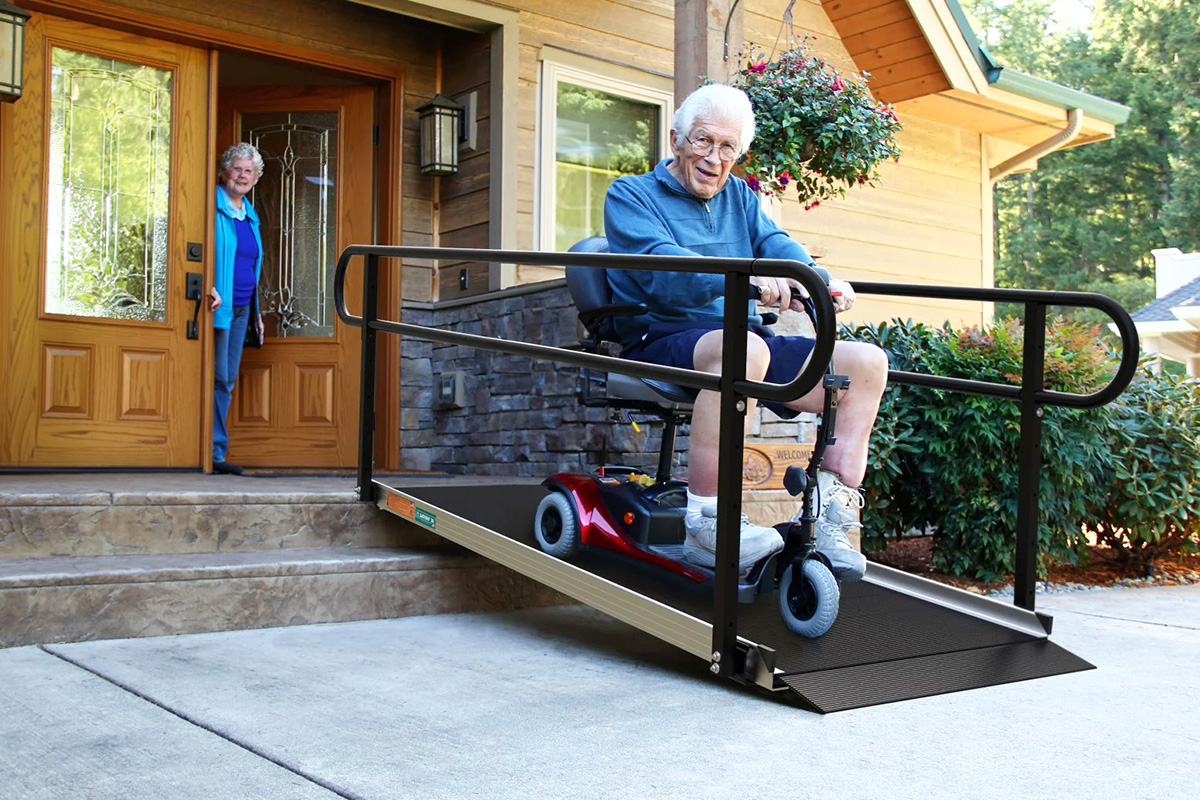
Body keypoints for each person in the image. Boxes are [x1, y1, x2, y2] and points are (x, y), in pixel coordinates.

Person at [603, 84, 889, 581]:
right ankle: (708, 521)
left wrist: (816, 277)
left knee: (866, 365)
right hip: (663, 334)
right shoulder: (631, 195)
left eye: (728, 147)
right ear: (675, 139)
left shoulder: (740, 195)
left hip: (742, 333)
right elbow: (664, 270)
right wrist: (747, 279)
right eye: (703, 141)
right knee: (746, 350)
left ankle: (831, 516)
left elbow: (777, 243)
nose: (714, 158)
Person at [210, 142, 265, 476]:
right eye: (237, 169)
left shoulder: (250, 216)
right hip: (218, 305)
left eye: (249, 171)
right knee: (217, 377)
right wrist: (207, 284)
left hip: (243, 307)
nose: (242, 176)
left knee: (226, 380)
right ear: (224, 171)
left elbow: (252, 265)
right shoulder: (211, 207)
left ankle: (215, 452)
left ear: (255, 178)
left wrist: (256, 311)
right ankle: (209, 453)